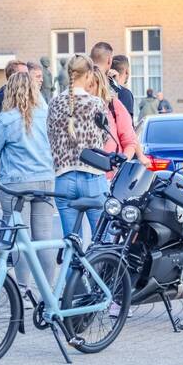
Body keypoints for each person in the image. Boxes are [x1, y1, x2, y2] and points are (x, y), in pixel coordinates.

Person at [0, 71, 57, 293]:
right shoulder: (46, 114)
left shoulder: (6, 118)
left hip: (16, 184)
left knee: (18, 238)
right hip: (45, 180)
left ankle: (23, 291)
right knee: (43, 238)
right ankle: (48, 292)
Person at [48, 55, 111, 238]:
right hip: (92, 177)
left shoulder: (54, 104)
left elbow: (50, 136)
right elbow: (104, 136)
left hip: (63, 178)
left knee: (71, 246)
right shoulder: (96, 103)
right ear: (89, 75)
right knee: (102, 243)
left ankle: (71, 267)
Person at [91, 66, 149, 170]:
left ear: (100, 85)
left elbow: (130, 140)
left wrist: (121, 164)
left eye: (92, 85)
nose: (87, 89)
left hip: (110, 176)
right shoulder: (75, 107)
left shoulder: (113, 104)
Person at [90, 41, 134, 116]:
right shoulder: (121, 92)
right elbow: (125, 123)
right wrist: (115, 88)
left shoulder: (86, 83)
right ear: (109, 61)